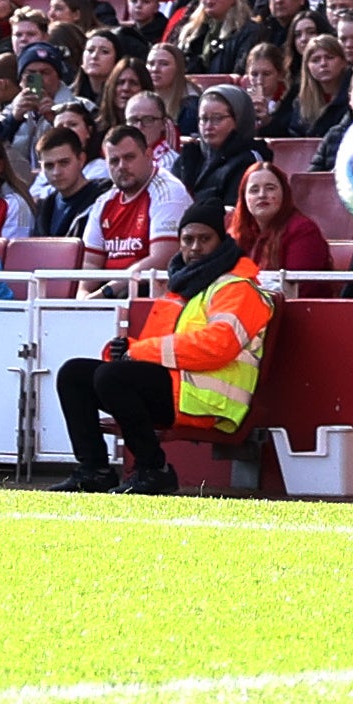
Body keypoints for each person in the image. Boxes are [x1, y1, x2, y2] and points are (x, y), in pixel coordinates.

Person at [49, 211, 269, 493]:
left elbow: (218, 346)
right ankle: (95, 470)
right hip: (180, 389)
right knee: (73, 373)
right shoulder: (182, 287)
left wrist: (137, 352)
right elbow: (154, 348)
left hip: (212, 400)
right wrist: (124, 351)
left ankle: (154, 469)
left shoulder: (238, 288)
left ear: (222, 242)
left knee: (111, 377)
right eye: (187, 240)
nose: (195, 247)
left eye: (205, 239)